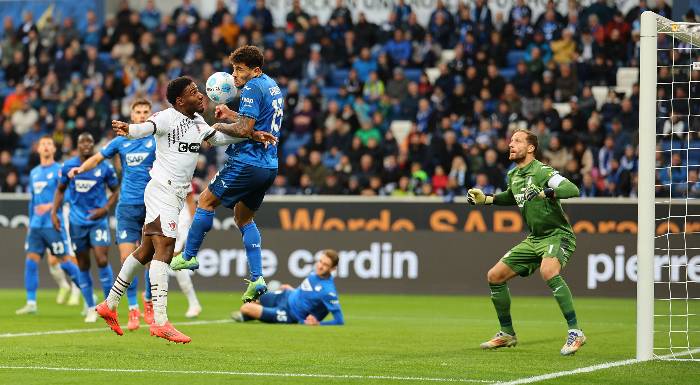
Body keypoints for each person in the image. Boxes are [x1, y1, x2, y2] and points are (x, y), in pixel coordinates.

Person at [95, 76, 276, 343]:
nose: (201, 95)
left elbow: (219, 139)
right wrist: (129, 129)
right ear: (180, 101)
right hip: (161, 191)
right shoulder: (167, 117)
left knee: (145, 251)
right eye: (194, 92)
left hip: (176, 195)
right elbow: (147, 127)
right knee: (165, 249)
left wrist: (252, 133)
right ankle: (160, 321)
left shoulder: (198, 123)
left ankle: (109, 305)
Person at [170, 46, 283, 304]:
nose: (234, 75)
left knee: (205, 201)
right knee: (243, 218)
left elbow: (244, 130)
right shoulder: (272, 86)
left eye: (239, 69)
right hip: (269, 165)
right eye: (233, 69)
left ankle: (188, 255)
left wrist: (219, 125)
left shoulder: (253, 87)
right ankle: (257, 278)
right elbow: (254, 123)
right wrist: (232, 114)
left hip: (247, 161)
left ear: (255, 70)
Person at [466, 129, 586, 356]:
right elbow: (512, 196)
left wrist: (546, 193)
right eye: (510, 140)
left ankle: (575, 332)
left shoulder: (542, 171)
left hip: (557, 234)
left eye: (517, 141)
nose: (511, 144)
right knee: (494, 276)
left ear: (531, 148)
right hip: (535, 238)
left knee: (548, 270)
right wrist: (488, 199)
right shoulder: (514, 175)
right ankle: (507, 333)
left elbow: (572, 189)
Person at [52, 132, 120, 323]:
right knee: (83, 264)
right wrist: (53, 213)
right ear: (77, 145)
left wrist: (105, 208)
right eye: (82, 141)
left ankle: (109, 306)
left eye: (90, 141)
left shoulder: (104, 166)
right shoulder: (68, 166)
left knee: (101, 259)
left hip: (97, 221)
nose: (86, 144)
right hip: (76, 222)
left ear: (93, 145)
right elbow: (60, 190)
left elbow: (116, 191)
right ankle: (91, 307)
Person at [16, 136, 85, 315]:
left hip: (54, 223)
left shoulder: (60, 171)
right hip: (37, 226)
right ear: (38, 149)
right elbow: (33, 201)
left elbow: (69, 196)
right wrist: (31, 223)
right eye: (42, 144)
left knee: (65, 261)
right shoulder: (34, 173)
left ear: (54, 150)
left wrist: (51, 206)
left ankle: (88, 298)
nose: (46, 147)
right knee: (31, 261)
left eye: (49, 144)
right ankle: (31, 303)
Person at [232, 249, 344, 326]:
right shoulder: (315, 273)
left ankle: (248, 316)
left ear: (333, 269)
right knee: (252, 298)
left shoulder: (328, 291)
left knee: (246, 308)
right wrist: (293, 290)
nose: (320, 266)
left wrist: (318, 323)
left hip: (289, 314)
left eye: (325, 265)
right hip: (286, 295)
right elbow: (307, 294)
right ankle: (251, 316)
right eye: (320, 261)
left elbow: (339, 320)